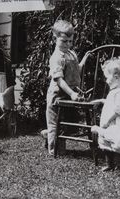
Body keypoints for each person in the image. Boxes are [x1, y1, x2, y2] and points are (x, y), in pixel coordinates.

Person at [43, 20, 90, 155]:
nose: (68, 44)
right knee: (54, 122)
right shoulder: (56, 57)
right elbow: (59, 80)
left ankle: (50, 137)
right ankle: (54, 149)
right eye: (64, 41)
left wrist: (83, 61)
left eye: (70, 41)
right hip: (57, 93)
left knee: (64, 121)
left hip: (69, 93)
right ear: (55, 38)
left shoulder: (72, 53)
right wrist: (71, 93)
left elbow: (76, 71)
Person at [91, 58, 120, 174]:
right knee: (106, 141)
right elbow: (112, 101)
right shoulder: (116, 91)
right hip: (113, 122)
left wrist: (107, 121)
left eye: (107, 77)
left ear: (117, 77)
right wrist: (102, 100)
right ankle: (109, 164)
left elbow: (118, 110)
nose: (106, 80)